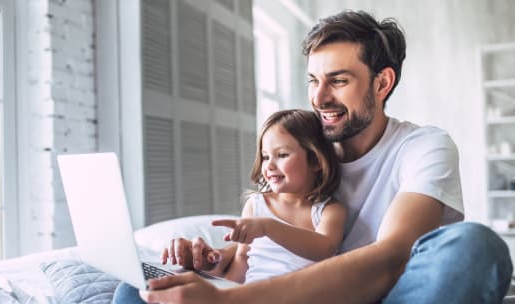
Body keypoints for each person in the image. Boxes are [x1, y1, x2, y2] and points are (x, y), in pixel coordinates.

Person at [114, 10, 513, 304]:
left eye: (338, 81)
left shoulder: (424, 147)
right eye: (313, 80)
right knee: (138, 289)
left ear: (382, 82)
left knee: (475, 246)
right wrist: (206, 263)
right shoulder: (300, 155)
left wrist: (227, 302)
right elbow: (253, 253)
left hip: (383, 298)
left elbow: (391, 259)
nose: (320, 98)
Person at [163, 109, 346, 284]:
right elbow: (242, 260)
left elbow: (325, 248)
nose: (269, 166)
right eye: (265, 157)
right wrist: (223, 294)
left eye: (282, 155)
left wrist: (268, 227)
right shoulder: (257, 205)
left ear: (315, 160)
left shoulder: (330, 210)